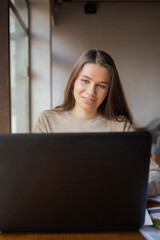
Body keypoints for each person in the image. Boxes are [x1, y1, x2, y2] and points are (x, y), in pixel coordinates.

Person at [34, 48, 160, 197]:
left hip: (109, 205)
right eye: (85, 81)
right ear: (74, 80)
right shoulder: (47, 120)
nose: (91, 91)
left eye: (101, 85)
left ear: (108, 91)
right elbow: (34, 174)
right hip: (59, 204)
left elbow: (154, 174)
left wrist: (128, 190)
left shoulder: (120, 125)